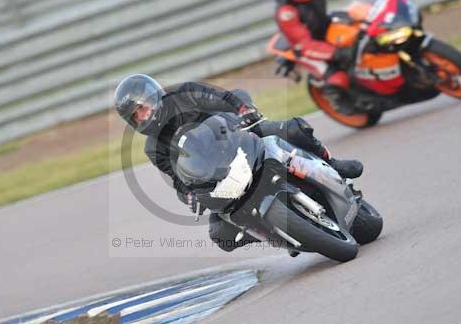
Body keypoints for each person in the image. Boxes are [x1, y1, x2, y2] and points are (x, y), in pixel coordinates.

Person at [114, 74, 363, 253]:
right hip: (218, 176)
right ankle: (275, 233)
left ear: (154, 96)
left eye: (143, 108)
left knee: (293, 129)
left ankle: (334, 164)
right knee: (220, 236)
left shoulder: (185, 94)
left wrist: (245, 110)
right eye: (136, 115)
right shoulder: (153, 147)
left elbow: (226, 97)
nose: (144, 116)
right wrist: (189, 196)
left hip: (239, 137)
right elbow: (177, 181)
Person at [274, 0, 379, 111]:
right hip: (304, 48)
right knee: (337, 77)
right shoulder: (286, 12)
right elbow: (305, 45)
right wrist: (338, 53)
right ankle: (336, 99)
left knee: (363, 35)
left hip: (325, 27)